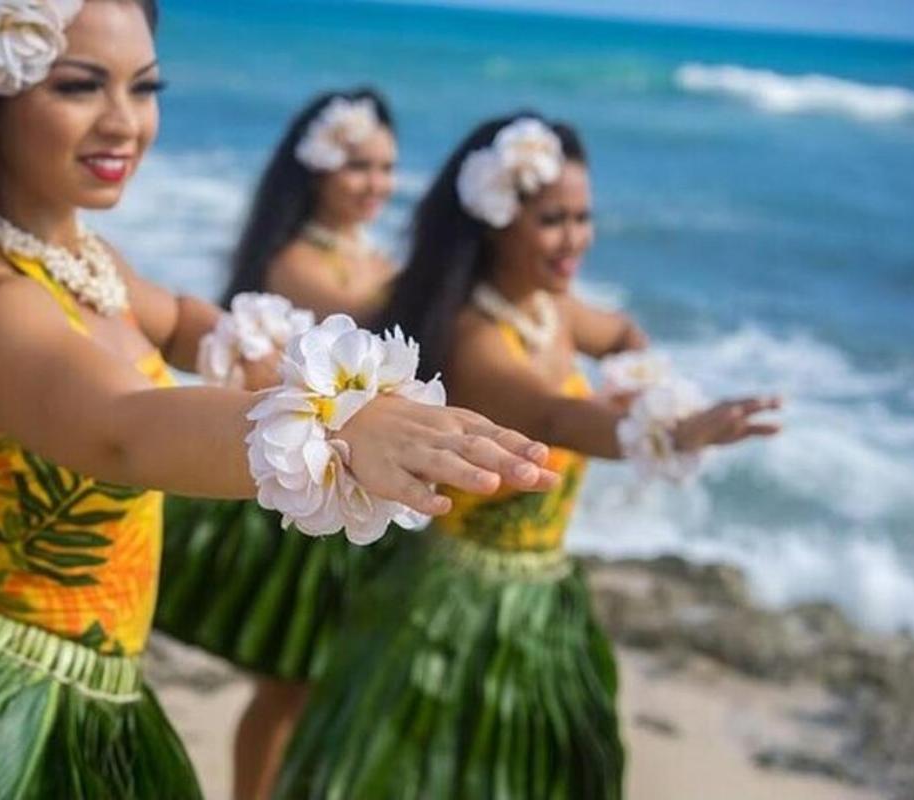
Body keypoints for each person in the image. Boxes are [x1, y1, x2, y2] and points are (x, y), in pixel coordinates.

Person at [0, 4, 555, 796]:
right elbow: (124, 429)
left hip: (96, 698)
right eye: (80, 87)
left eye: (145, 88)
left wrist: (288, 364)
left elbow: (190, 323)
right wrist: (333, 425)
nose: (124, 123)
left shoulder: (85, 262)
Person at [275, 114, 781, 799]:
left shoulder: (556, 309)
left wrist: (644, 383)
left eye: (583, 216)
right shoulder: (477, 338)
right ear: (495, 222)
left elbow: (624, 331)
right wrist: (676, 430)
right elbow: (557, 417)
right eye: (552, 219)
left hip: (545, 590)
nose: (575, 238)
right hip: (456, 608)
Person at [157, 87, 401, 800]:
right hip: (295, 506)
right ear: (316, 169)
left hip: (358, 487)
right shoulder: (294, 263)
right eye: (357, 165)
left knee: (318, 690)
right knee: (288, 686)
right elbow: (377, 319)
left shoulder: (378, 262)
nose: (375, 184)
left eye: (386, 167)